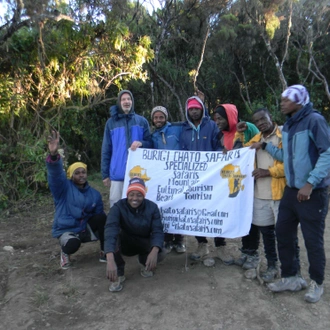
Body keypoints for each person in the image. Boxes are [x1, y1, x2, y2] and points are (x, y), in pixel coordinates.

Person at [251, 85, 330, 303]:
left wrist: (310, 183)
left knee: (313, 240)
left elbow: (327, 153)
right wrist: (264, 146)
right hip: (291, 191)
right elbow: (285, 157)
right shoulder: (288, 126)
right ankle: (291, 277)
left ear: (298, 101)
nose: (282, 103)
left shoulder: (315, 121)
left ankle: (316, 282)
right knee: (283, 233)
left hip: (313, 194)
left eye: (286, 100)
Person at [233, 108, 285, 282]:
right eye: (257, 121)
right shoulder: (255, 139)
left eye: (263, 119)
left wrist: (268, 172)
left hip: (280, 195)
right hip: (260, 195)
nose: (261, 123)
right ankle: (272, 266)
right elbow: (238, 153)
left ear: (271, 117)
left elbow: (292, 164)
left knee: (285, 234)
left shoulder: (283, 136)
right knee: (267, 234)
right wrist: (239, 134)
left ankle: (291, 271)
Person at [180, 95, 233, 263]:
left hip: (212, 178)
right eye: (191, 109)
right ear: (187, 111)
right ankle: (202, 244)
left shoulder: (212, 126)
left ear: (202, 109)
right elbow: (181, 153)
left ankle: (220, 246)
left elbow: (219, 146)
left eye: (197, 108)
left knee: (215, 209)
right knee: (196, 211)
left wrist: (221, 154)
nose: (194, 111)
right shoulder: (184, 131)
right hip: (192, 178)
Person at [46, 131, 107, 270]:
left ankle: (105, 251)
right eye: (77, 173)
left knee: (103, 218)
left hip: (84, 228)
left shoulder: (94, 194)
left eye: (83, 172)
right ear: (70, 175)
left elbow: (99, 217)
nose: (81, 175)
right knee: (72, 245)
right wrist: (54, 155)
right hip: (67, 229)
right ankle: (65, 253)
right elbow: (55, 175)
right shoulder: (63, 188)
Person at [212, 104, 259, 265]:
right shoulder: (221, 136)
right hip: (229, 182)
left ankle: (250, 252)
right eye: (215, 119)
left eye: (220, 118)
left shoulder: (248, 127)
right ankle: (225, 247)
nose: (217, 122)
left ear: (230, 116)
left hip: (249, 181)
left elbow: (260, 144)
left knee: (249, 216)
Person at [104, 177, 166, 292]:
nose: (135, 198)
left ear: (144, 195)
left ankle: (144, 262)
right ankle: (119, 272)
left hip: (143, 240)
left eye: (139, 195)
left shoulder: (152, 207)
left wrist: (155, 250)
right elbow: (110, 230)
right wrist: (109, 258)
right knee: (114, 238)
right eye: (131, 194)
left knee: (161, 253)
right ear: (127, 194)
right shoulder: (118, 207)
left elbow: (158, 230)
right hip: (125, 242)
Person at [101, 90, 152, 208]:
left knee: (137, 206)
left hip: (138, 175)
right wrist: (105, 174)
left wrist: (141, 143)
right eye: (123, 99)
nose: (126, 101)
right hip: (117, 174)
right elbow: (106, 149)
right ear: (119, 102)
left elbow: (150, 143)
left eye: (129, 99)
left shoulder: (142, 121)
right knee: (116, 206)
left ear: (132, 102)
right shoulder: (111, 123)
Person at [150, 105, 185, 253]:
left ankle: (180, 240)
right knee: (164, 208)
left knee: (180, 207)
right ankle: (168, 240)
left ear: (166, 117)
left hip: (179, 175)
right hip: (162, 177)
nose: (159, 120)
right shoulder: (152, 136)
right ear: (152, 119)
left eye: (161, 117)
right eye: (156, 117)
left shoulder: (176, 129)